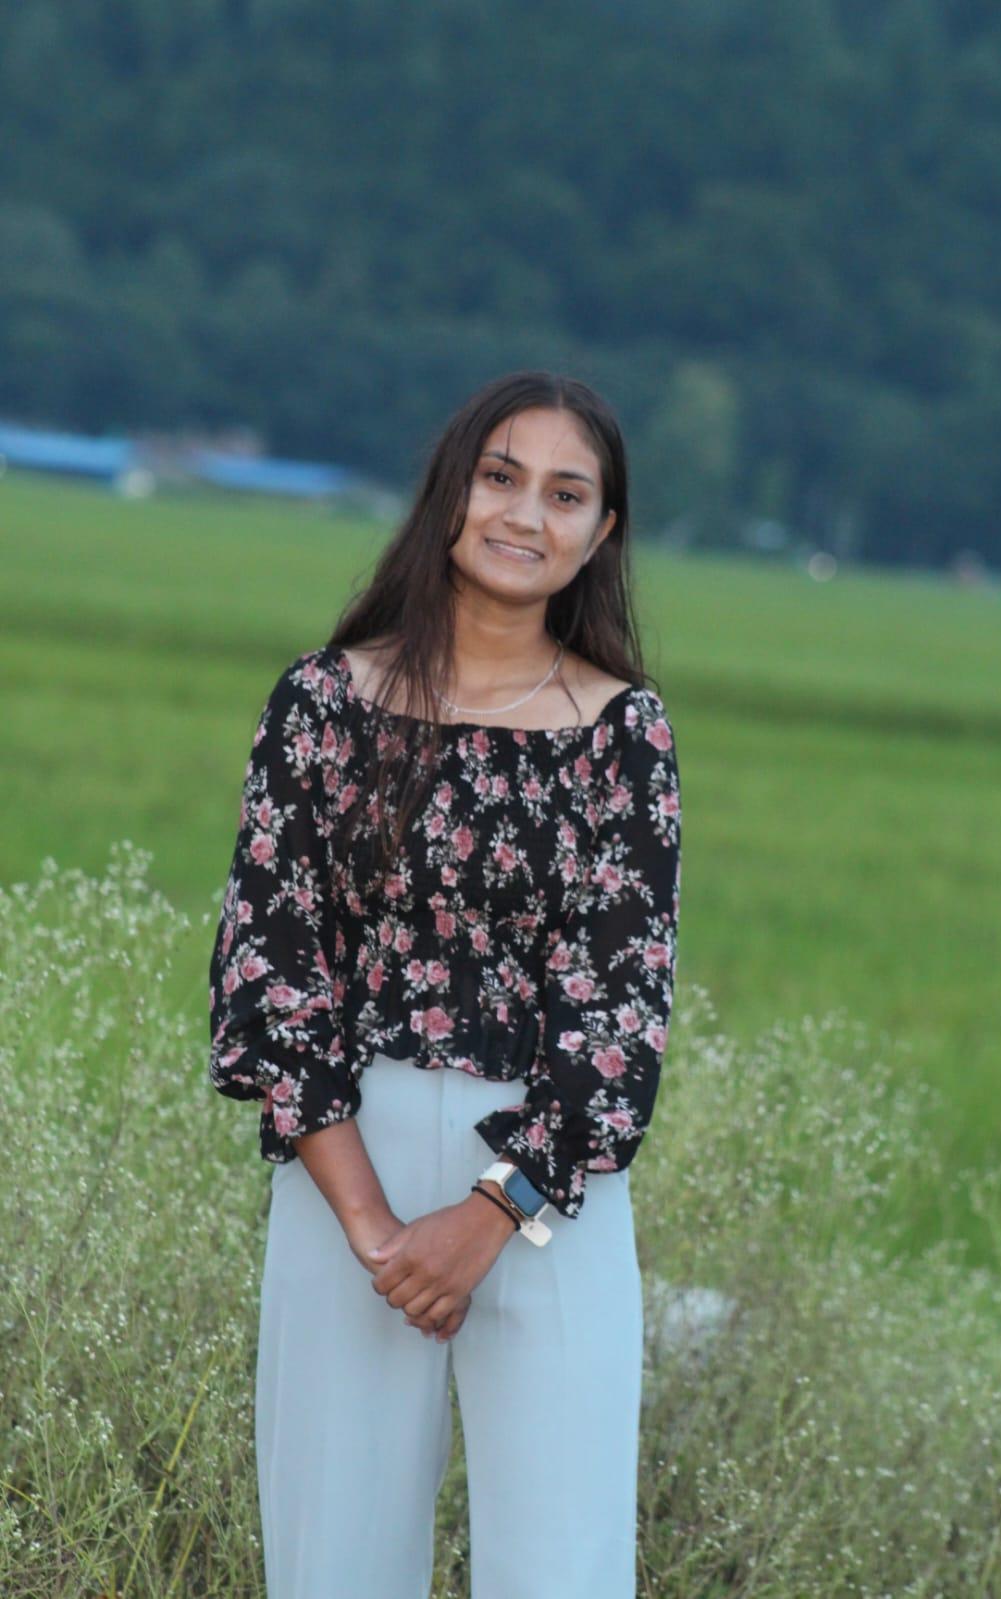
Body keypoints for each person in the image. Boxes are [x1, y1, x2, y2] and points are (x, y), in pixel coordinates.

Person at [207, 369, 683, 1599]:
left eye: (566, 493)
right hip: (339, 1167)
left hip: (543, 1197)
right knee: (332, 1565)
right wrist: (372, 1226)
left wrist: (485, 1218)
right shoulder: (321, 703)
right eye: (501, 476)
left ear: (601, 534)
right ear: (451, 491)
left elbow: (618, 1014)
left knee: (561, 1570)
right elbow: (270, 965)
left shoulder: (620, 733)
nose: (527, 515)